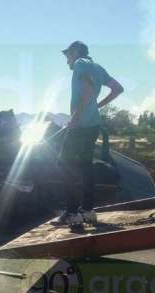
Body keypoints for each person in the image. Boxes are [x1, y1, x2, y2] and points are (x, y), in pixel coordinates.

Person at [52, 41, 124, 227]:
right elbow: (118, 88)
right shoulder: (98, 67)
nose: (66, 59)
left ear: (75, 52)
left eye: (67, 54)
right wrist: (97, 106)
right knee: (85, 165)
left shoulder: (80, 63)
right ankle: (88, 211)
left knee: (63, 164)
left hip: (80, 125)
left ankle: (71, 212)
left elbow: (88, 89)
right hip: (93, 125)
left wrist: (75, 118)